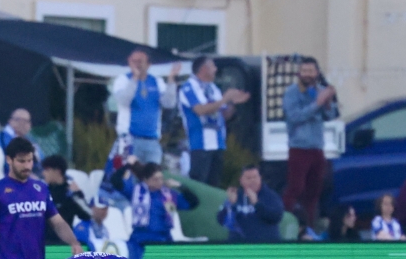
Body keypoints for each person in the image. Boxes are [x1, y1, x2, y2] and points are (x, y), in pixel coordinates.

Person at [281, 57, 339, 229]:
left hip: (317, 147)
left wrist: (328, 102)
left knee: (314, 191)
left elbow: (331, 116)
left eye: (310, 71)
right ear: (299, 73)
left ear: (317, 73)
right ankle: (286, 224)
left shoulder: (319, 90)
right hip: (299, 147)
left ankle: (309, 227)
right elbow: (294, 117)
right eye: (304, 71)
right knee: (295, 188)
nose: (307, 75)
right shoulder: (292, 92)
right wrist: (317, 103)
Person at [177, 56, 250, 186]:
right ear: (204, 69)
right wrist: (224, 99)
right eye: (213, 66)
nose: (216, 70)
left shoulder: (213, 88)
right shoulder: (189, 87)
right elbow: (200, 110)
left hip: (217, 143)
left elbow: (223, 114)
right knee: (199, 185)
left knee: (214, 185)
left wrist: (232, 102)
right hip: (199, 143)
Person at [111, 159, 200, 259]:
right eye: (155, 179)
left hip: (163, 240)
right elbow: (115, 180)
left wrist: (181, 186)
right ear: (146, 180)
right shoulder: (135, 191)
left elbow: (194, 203)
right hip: (140, 240)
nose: (160, 182)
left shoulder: (169, 195)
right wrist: (128, 165)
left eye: (161, 179)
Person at [110, 49, 180, 166]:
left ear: (148, 64)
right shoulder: (123, 80)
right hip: (129, 139)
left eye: (140, 61)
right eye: (134, 61)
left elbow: (169, 103)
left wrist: (171, 81)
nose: (137, 64)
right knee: (129, 177)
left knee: (152, 176)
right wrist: (134, 79)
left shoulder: (156, 81)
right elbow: (124, 101)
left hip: (152, 140)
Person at [217, 165, 282, 242]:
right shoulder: (236, 196)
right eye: (248, 178)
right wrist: (231, 204)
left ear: (260, 178)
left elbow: (276, 217)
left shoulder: (270, 196)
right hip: (239, 247)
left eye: (255, 177)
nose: (252, 181)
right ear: (241, 180)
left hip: (264, 245)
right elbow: (222, 221)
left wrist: (257, 204)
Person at [42, 155, 91, 241]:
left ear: (57, 171)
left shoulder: (71, 194)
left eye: (47, 169)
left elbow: (87, 215)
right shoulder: (42, 192)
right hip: (43, 245)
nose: (44, 173)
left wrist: (78, 194)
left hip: (65, 247)